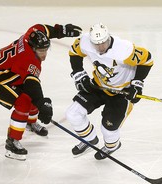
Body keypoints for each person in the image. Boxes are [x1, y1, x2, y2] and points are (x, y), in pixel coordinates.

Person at [0, 23, 82, 161]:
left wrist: (60, 30)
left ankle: (30, 122)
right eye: (40, 51)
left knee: (30, 97)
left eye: (46, 50)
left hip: (7, 70)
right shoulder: (28, 60)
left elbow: (42, 28)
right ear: (32, 48)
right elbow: (32, 85)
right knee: (24, 102)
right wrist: (42, 103)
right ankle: (11, 143)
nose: (43, 55)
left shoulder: (30, 35)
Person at [65, 23, 153, 160]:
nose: (100, 47)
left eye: (103, 43)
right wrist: (79, 73)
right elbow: (75, 53)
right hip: (98, 86)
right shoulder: (85, 41)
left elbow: (147, 60)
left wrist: (136, 84)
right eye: (96, 44)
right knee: (73, 114)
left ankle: (112, 146)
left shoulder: (124, 49)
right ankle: (89, 140)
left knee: (108, 129)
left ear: (108, 38)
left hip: (121, 93)